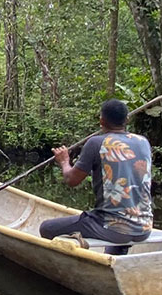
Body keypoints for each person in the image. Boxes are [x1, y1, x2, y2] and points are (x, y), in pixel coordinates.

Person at [40, 99, 153, 251]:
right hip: (144, 229)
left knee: (46, 228)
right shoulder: (143, 142)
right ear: (127, 119)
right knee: (114, 226)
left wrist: (64, 161)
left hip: (113, 228)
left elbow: (71, 180)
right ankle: (113, 256)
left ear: (102, 121)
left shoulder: (96, 143)